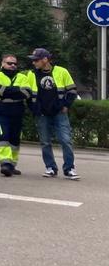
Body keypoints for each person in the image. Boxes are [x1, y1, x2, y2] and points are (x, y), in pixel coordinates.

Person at [28, 48, 79, 180]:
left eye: (36, 60)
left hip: (59, 113)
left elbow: (72, 91)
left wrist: (66, 105)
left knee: (66, 140)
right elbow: (28, 94)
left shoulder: (61, 71)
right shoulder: (31, 74)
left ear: (45, 59)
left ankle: (69, 169)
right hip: (42, 114)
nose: (34, 63)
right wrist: (34, 109)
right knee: (45, 142)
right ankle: (50, 168)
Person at [0, 53, 32, 177]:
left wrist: (7, 91)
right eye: (9, 63)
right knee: (3, 138)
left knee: (15, 140)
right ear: (2, 63)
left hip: (17, 112)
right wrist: (16, 91)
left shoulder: (22, 77)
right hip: (1, 112)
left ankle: (12, 165)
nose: (13, 65)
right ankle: (5, 164)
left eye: (14, 63)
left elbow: (27, 93)